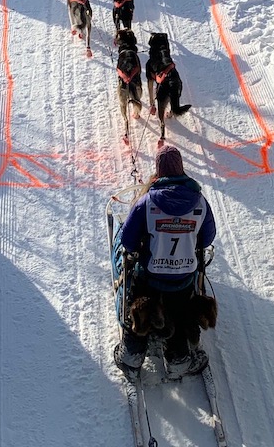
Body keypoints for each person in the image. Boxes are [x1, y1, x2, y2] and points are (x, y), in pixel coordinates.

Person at [113, 145, 217, 381]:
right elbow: (207, 238)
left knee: (139, 305)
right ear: (182, 170)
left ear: (158, 173)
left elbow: (128, 241)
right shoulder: (200, 203)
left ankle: (131, 356)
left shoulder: (147, 202)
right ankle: (178, 361)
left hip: (149, 276)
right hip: (183, 279)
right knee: (180, 315)